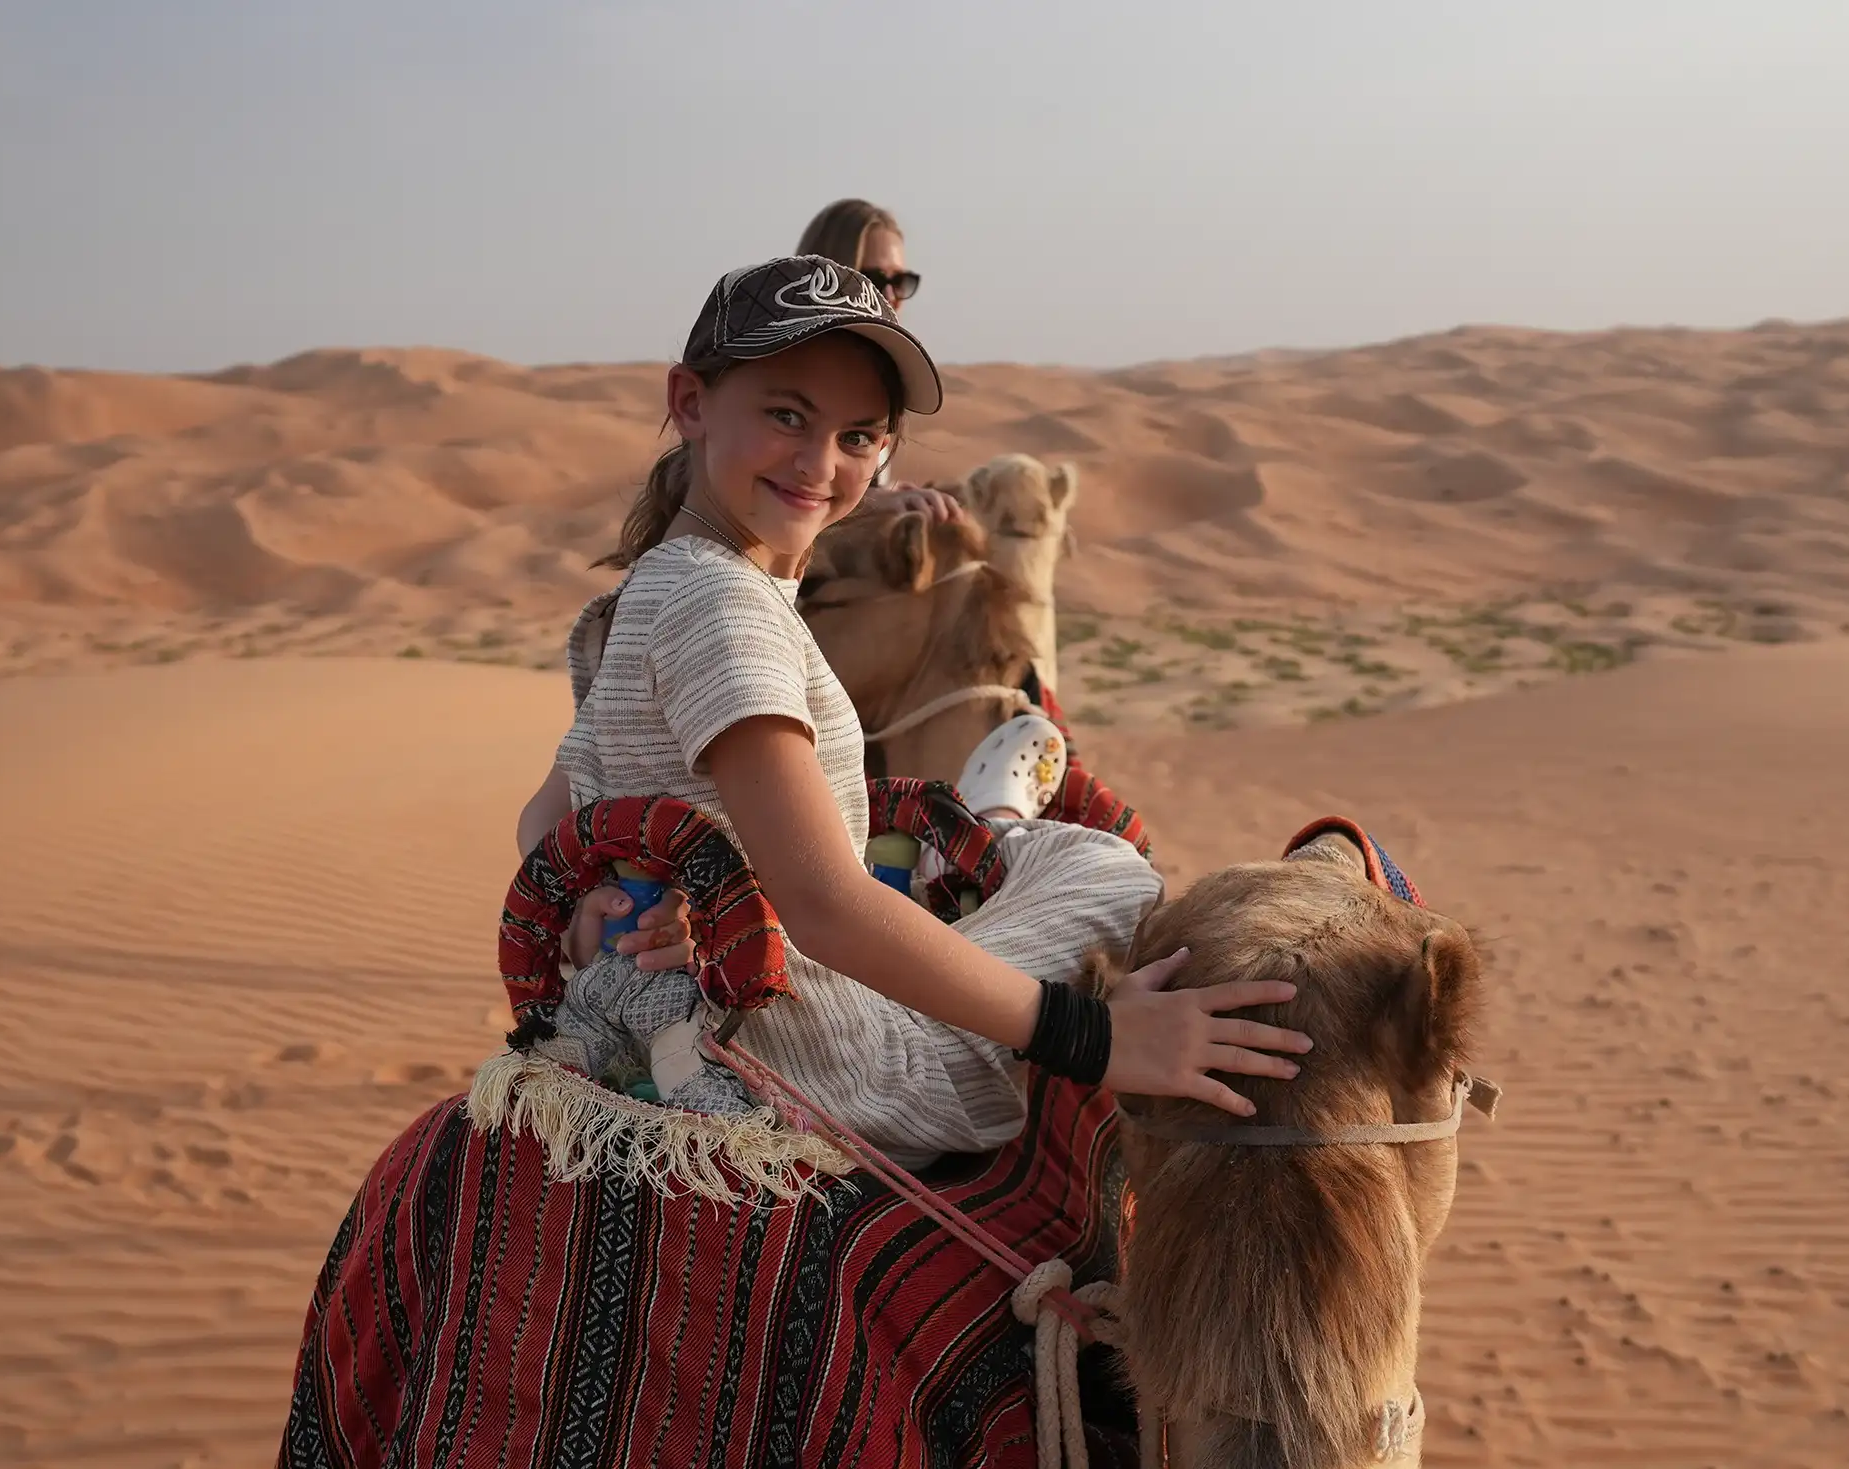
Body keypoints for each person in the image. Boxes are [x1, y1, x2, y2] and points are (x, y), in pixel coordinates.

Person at [512, 255, 1310, 1164]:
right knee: (1106, 870)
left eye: (859, 437)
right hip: (833, 1070)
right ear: (690, 402)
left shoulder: (657, 584)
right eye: (787, 416)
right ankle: (996, 819)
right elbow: (825, 909)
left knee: (1029, 855)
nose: (822, 464)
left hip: (690, 1022)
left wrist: (594, 911)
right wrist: (1097, 1038)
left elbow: (545, 816)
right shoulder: (721, 605)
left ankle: (990, 824)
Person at [795, 198, 962, 525]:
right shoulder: (781, 368)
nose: (888, 295)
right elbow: (783, 495)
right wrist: (874, 503)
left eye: (900, 282)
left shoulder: (874, 376)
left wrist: (889, 494)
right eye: (871, 278)